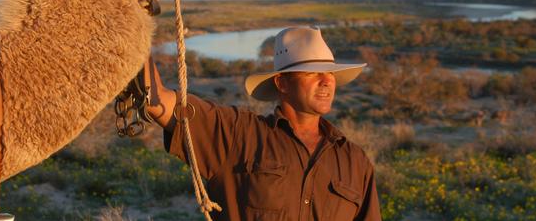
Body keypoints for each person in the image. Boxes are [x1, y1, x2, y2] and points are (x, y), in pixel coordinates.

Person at [147, 26, 381, 220]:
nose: (326, 81)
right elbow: (157, 101)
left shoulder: (355, 161)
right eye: (312, 73)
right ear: (282, 84)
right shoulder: (238, 135)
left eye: (330, 73)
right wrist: (132, 21)